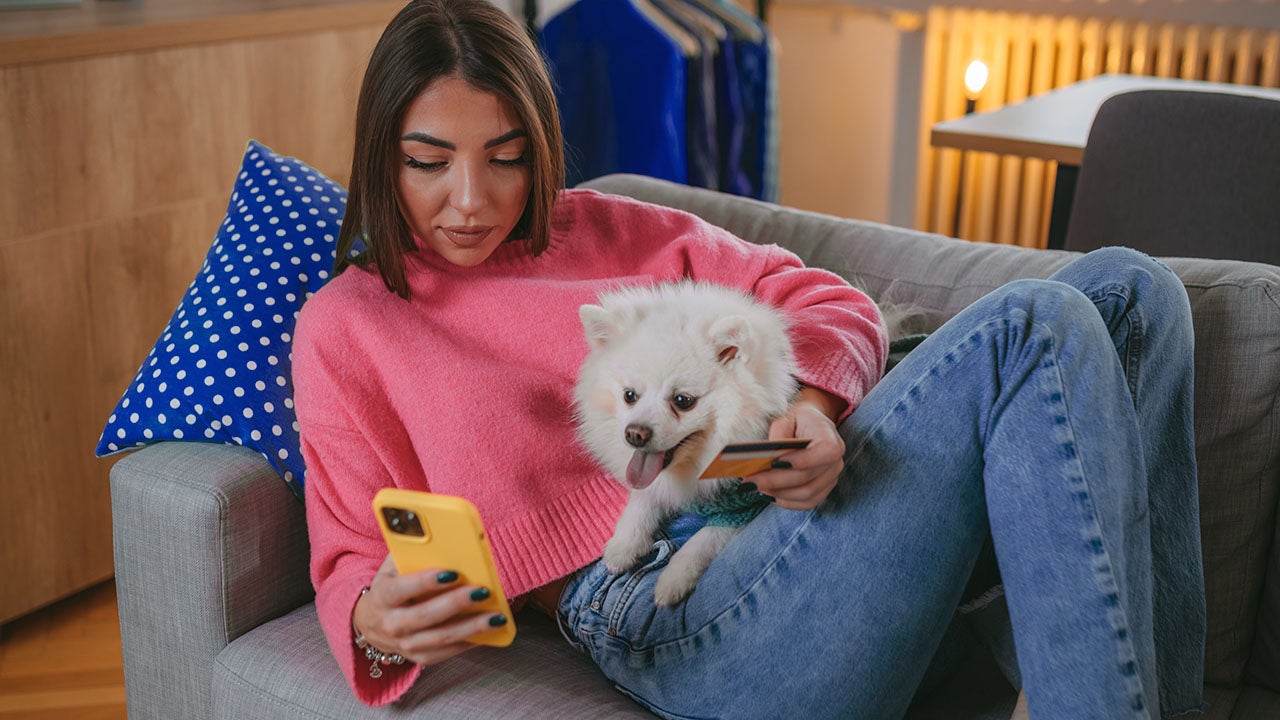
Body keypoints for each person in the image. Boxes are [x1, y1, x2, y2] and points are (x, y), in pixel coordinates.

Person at [291, 0, 1207, 717]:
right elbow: (345, 559)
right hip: (656, 601)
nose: (471, 200)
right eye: (427, 161)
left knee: (1138, 290)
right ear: (383, 153)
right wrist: (377, 621)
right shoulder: (348, 326)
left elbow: (825, 299)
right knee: (1035, 325)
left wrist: (808, 407)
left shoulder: (611, 226)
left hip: (777, 511)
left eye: (506, 157)